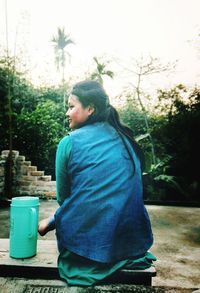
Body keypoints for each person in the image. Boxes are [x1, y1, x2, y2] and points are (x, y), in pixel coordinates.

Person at [38, 80, 156, 286]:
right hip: (131, 242)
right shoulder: (127, 141)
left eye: (71, 106)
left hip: (85, 251)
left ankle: (51, 221)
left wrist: (56, 220)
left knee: (68, 215)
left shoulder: (69, 142)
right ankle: (52, 221)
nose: (67, 113)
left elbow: (64, 199)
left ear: (90, 109)